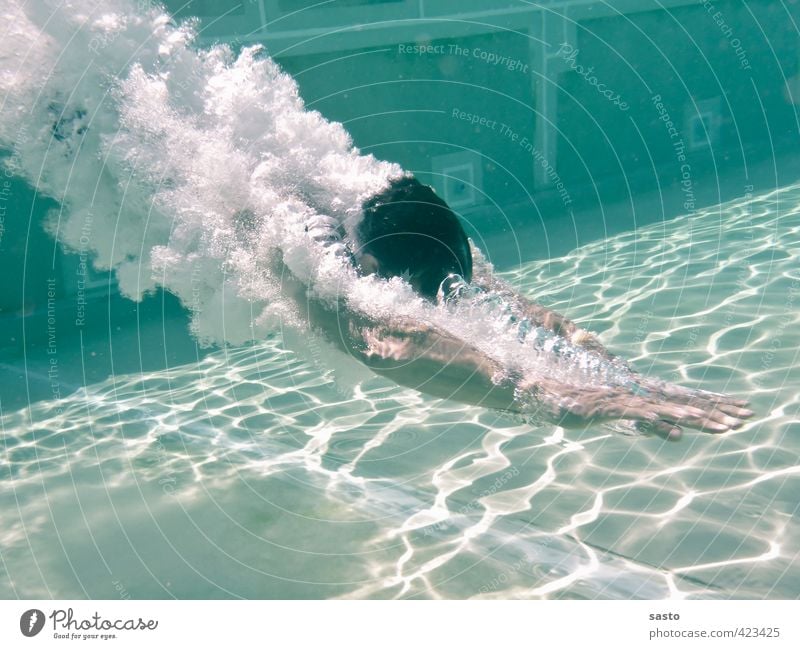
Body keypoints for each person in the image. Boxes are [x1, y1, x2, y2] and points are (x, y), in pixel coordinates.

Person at [287, 175, 753, 442]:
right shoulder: (308, 263)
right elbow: (384, 343)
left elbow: (511, 308)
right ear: (367, 268)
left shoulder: (408, 227)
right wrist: (553, 396)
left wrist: (623, 380)